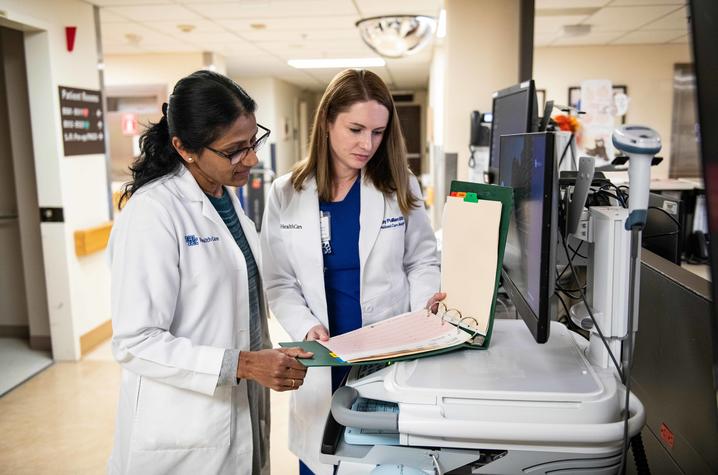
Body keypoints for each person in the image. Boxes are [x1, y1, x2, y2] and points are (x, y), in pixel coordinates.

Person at [107, 70, 312, 475]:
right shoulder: (154, 213)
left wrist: (263, 354)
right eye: (235, 150)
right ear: (184, 148)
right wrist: (244, 364)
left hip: (241, 407)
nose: (251, 158)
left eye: (254, 141)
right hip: (186, 427)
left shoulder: (224, 199)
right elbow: (134, 341)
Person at [260, 69, 441, 475]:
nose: (367, 144)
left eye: (378, 132)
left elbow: (422, 260)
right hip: (323, 358)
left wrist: (424, 310)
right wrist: (306, 326)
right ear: (326, 122)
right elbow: (279, 281)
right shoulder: (286, 192)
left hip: (386, 357)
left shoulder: (399, 185)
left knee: (380, 461)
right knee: (322, 458)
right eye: (356, 129)